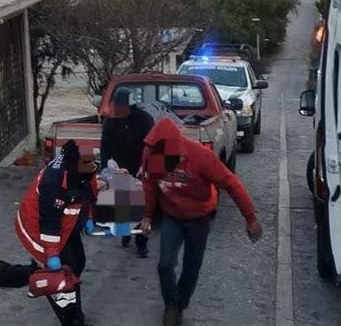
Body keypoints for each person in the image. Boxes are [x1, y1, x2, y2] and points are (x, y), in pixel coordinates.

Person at [140, 118, 263, 326]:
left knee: (191, 266)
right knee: (165, 264)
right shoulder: (151, 156)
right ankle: (171, 304)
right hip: (172, 216)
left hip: (199, 218)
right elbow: (149, 187)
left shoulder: (201, 157)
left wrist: (250, 217)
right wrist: (147, 216)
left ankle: (181, 304)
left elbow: (231, 184)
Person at [15, 140, 99, 326]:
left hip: (64, 223)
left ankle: (60, 290)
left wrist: (89, 216)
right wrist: (52, 255)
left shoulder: (84, 165)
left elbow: (88, 192)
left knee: (78, 262)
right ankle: (71, 319)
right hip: (38, 227)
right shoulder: (53, 184)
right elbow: (49, 224)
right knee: (64, 274)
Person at [100, 87, 155, 257]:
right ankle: (125, 231)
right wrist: (106, 167)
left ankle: (141, 243)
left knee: (142, 207)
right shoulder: (110, 123)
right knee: (124, 204)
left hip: (141, 168)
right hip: (120, 169)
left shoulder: (145, 120)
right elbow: (105, 148)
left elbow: (152, 144)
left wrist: (147, 166)